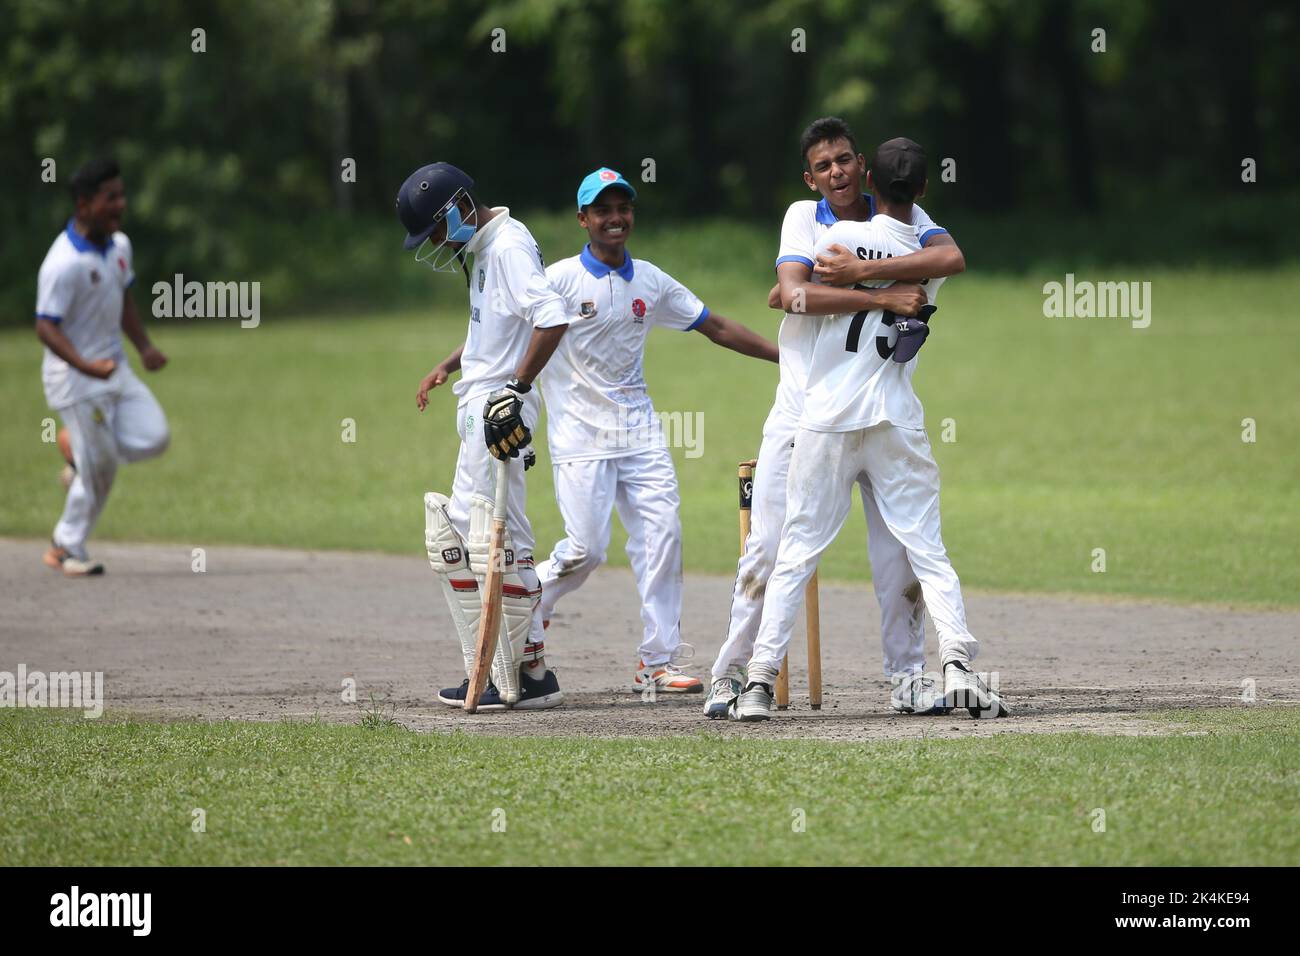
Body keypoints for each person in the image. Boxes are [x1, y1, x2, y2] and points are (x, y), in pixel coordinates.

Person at [734, 137, 1009, 722]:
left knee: (796, 554)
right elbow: (948, 259)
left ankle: (757, 683)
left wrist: (854, 280)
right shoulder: (921, 252)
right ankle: (957, 665)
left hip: (827, 420)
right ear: (924, 190)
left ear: (867, 181)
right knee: (926, 549)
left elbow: (787, 296)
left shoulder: (833, 240)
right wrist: (880, 295)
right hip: (895, 420)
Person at [536, 168, 780, 694]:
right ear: (583, 219)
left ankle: (658, 660)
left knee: (663, 536)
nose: (615, 218)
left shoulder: (650, 280)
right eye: (602, 210)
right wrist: (453, 364)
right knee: (586, 550)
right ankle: (528, 600)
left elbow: (714, 326)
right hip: (580, 438)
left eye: (623, 208)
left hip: (641, 433)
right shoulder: (556, 281)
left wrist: (787, 357)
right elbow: (505, 330)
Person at [400, 162, 578, 711]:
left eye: (433, 228)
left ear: (456, 206)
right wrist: (451, 365)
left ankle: (515, 675)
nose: (433, 241)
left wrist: (514, 390)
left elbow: (552, 318)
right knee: (488, 537)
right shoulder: (484, 247)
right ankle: (522, 671)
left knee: (483, 539)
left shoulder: (507, 249)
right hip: (484, 403)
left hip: (498, 411)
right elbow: (497, 326)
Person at [35, 158, 170, 577]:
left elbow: (124, 301)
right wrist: (86, 365)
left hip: (114, 367)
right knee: (103, 466)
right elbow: (45, 326)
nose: (120, 204)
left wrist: (145, 347)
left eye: (121, 195)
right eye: (110, 198)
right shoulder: (62, 264)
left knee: (155, 436)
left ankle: (80, 453)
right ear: (84, 205)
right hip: (75, 380)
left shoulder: (119, 247)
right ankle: (67, 546)